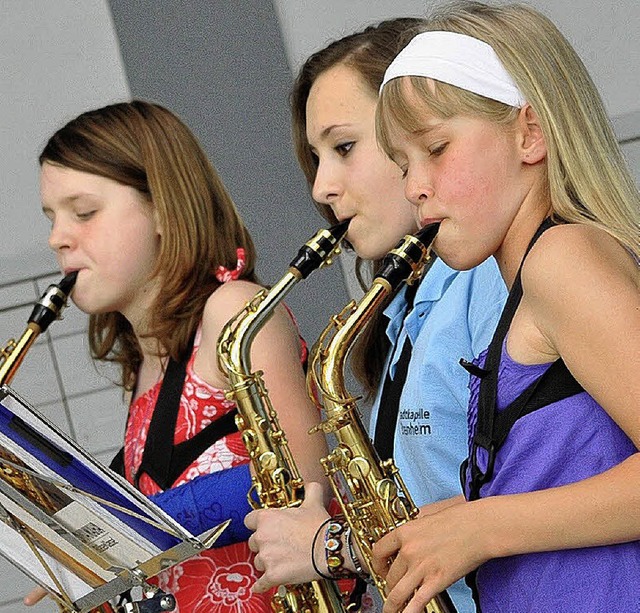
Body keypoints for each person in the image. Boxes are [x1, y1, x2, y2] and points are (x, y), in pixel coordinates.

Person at [369, 2, 640, 612]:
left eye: (435, 149)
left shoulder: (561, 259)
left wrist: (484, 526)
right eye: (402, 164)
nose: (414, 185)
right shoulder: (534, 278)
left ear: (530, 134)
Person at [244, 17, 507, 613]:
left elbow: (532, 496)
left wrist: (336, 548)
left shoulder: (491, 279)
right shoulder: (404, 310)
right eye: (315, 157)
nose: (322, 187)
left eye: (343, 148)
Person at [27, 100, 330, 612]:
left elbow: (310, 478)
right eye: (52, 218)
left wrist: (117, 531)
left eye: (84, 213)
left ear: (164, 209)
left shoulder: (231, 310)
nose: (58, 238)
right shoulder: (147, 361)